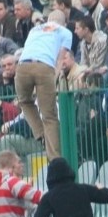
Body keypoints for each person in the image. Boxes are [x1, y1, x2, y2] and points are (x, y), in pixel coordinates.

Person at [14, 17, 73, 160]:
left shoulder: (35, 29)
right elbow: (60, 58)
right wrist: (55, 77)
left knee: (24, 101)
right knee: (49, 115)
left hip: (22, 66)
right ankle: (55, 158)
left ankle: (40, 134)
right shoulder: (65, 32)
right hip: (45, 67)